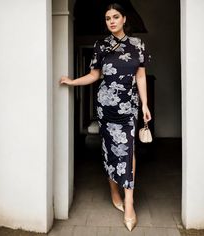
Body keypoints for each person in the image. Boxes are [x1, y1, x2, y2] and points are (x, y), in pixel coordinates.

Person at [59, 3, 152, 232]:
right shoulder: (101, 46)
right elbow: (94, 75)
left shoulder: (137, 45)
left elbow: (140, 77)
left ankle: (129, 203)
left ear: (123, 19)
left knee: (128, 150)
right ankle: (113, 191)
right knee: (110, 149)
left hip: (128, 106)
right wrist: (72, 81)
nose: (111, 21)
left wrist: (145, 105)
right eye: (107, 18)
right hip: (105, 107)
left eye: (115, 17)